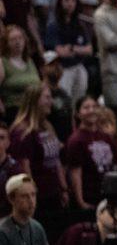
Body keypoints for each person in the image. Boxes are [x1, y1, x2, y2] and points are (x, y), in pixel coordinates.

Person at [10, 84, 68, 214]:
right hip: (38, 195)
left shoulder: (48, 126)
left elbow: (56, 160)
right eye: (47, 98)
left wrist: (63, 188)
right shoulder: (23, 131)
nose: (51, 102)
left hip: (54, 192)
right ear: (35, 100)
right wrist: (31, 194)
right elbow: (24, 166)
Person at [63, 97, 116, 210]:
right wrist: (81, 201)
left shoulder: (105, 137)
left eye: (94, 107)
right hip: (90, 197)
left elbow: (114, 164)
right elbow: (75, 172)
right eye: (86, 108)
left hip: (108, 195)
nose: (91, 110)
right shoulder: (76, 140)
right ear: (78, 114)